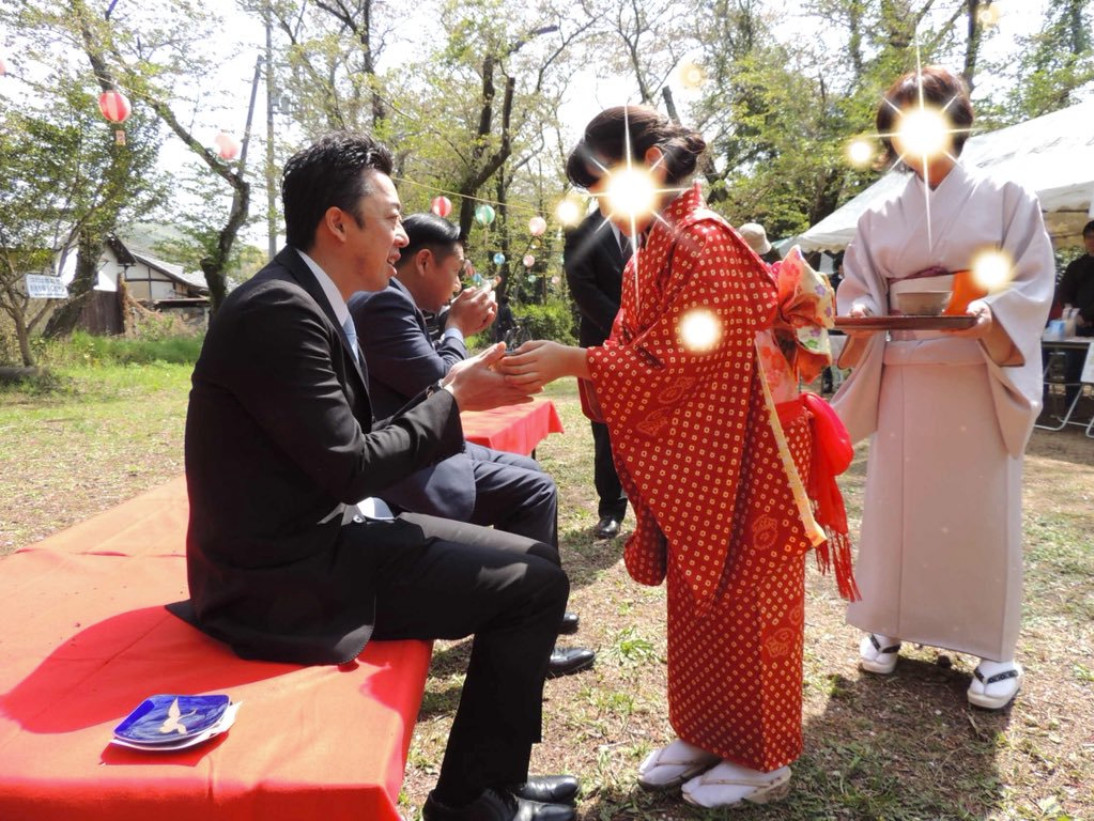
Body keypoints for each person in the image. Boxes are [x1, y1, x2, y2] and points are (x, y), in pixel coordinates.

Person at [180, 133, 580, 821]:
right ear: (338, 223)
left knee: (538, 564)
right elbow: (350, 466)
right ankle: (469, 799)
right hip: (282, 577)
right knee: (534, 587)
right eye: (391, 216)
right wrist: (453, 398)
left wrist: (449, 388)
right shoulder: (281, 310)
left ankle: (493, 780)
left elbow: (343, 455)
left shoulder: (308, 297)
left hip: (319, 536)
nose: (402, 235)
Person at [500, 105, 855, 809]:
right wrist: (593, 364)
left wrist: (580, 361)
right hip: (710, 452)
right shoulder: (659, 248)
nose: (601, 199)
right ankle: (704, 729)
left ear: (650, 168)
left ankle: (761, 754)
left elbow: (686, 365)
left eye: (603, 181)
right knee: (701, 605)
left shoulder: (706, 240)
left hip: (751, 454)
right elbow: (648, 353)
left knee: (749, 601)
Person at [832, 66, 1055, 711]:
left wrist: (994, 313)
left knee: (979, 511)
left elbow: (1032, 282)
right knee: (900, 507)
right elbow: (861, 289)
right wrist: (862, 312)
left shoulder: (1008, 195)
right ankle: (891, 622)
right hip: (906, 375)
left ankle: (993, 648)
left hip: (976, 371)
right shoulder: (879, 212)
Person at [348, 212, 594, 677]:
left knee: (536, 478)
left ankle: (534, 601)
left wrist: (451, 324)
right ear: (424, 261)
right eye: (457, 268)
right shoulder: (382, 301)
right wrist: (458, 326)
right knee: (534, 489)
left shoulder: (395, 301)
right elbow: (437, 380)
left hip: (422, 446)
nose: (461, 279)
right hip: (403, 463)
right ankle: (526, 624)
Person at [563, 196, 632, 539]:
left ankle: (655, 510)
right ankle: (611, 508)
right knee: (606, 429)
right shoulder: (582, 230)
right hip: (602, 342)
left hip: (654, 344)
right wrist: (625, 326)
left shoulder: (651, 224)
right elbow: (582, 286)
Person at [1055, 219, 1094, 409]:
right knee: (1073, 366)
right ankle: (1071, 407)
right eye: (1089, 238)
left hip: (1087, 321)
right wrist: (1073, 312)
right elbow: (1064, 293)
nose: (1092, 241)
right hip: (1076, 325)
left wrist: (1086, 316)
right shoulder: (1076, 266)